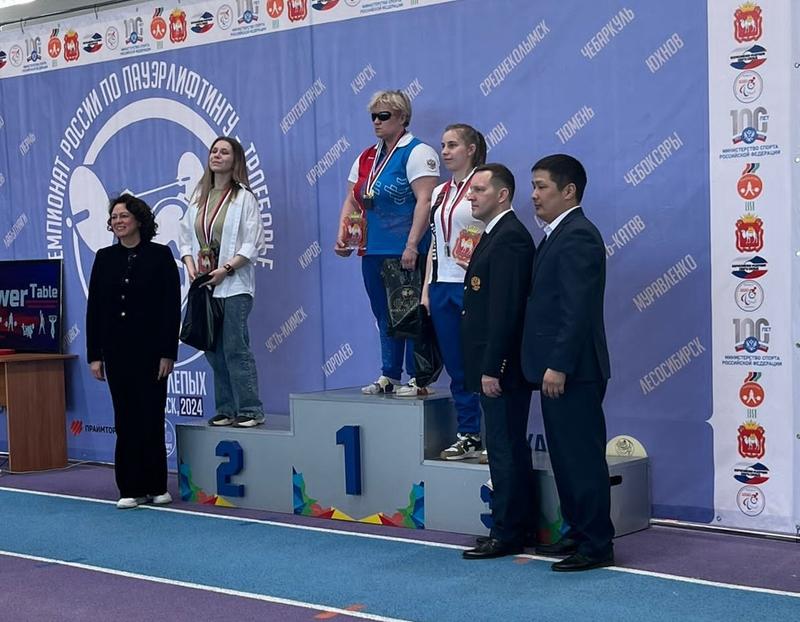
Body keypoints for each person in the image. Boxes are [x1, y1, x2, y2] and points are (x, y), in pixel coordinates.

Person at [521, 154, 614, 572]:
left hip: (574, 371)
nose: (534, 195)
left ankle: (596, 544)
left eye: (541, 186)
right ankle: (577, 531)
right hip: (558, 369)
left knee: (582, 458)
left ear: (569, 191)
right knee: (565, 457)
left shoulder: (578, 236)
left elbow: (577, 310)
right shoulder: (557, 235)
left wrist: (559, 364)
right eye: (533, 186)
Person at [334, 89, 439, 395]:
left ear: (402, 117)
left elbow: (425, 201)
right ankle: (389, 374)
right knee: (384, 315)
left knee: (410, 313)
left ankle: (418, 377)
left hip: (405, 248)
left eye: (384, 116)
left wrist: (412, 245)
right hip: (372, 249)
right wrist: (344, 235)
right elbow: (352, 199)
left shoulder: (417, 151)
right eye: (373, 116)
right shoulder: (367, 156)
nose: (377, 122)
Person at [460, 164, 535, 560]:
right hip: (492, 364)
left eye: (480, 190)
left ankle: (508, 532)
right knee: (505, 447)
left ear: (502, 195)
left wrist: (494, 367)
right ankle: (515, 526)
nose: (471, 196)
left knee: (505, 449)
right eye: (471, 190)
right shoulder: (495, 234)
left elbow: (506, 311)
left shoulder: (510, 238)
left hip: (501, 368)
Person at [86, 194, 181, 510]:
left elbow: (170, 308)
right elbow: (95, 309)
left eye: (124, 215)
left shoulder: (160, 255)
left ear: (139, 220)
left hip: (152, 353)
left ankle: (156, 485)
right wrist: (95, 355)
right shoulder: (104, 258)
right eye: (114, 217)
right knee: (125, 419)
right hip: (117, 352)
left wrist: (168, 352)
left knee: (151, 415)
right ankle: (130, 487)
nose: (118, 221)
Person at [399, 124, 486, 463]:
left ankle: (496, 436)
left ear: (471, 149)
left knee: (484, 364)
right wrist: (426, 290)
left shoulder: (485, 185)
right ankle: (468, 434)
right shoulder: (439, 192)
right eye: (443, 145)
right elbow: (435, 244)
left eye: (452, 145)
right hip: (441, 286)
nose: (445, 152)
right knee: (456, 366)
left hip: (473, 286)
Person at [179, 136, 266, 428]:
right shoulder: (199, 197)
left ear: (235, 160)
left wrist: (226, 268)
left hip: (234, 284)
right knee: (213, 350)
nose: (217, 155)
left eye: (224, 152)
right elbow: (185, 236)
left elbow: (253, 242)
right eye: (214, 151)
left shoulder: (243, 197)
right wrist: (190, 263)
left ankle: (251, 409)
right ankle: (226, 408)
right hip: (205, 285)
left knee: (235, 347)